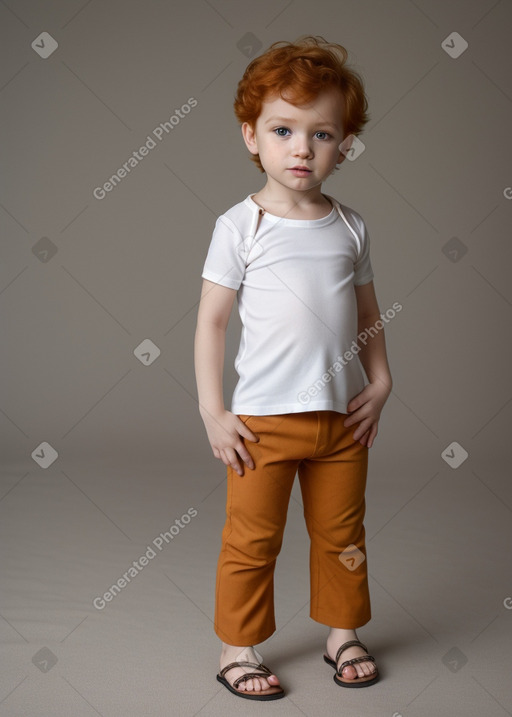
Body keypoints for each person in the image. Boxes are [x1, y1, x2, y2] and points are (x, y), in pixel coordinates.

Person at [194, 35, 392, 701]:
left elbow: (367, 313)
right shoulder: (240, 226)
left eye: (323, 134)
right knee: (253, 540)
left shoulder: (350, 226)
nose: (302, 149)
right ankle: (237, 647)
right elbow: (212, 323)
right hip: (261, 425)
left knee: (343, 535)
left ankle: (342, 631)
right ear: (252, 136)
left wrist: (382, 378)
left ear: (344, 143)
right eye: (284, 130)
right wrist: (213, 410)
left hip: (340, 421)